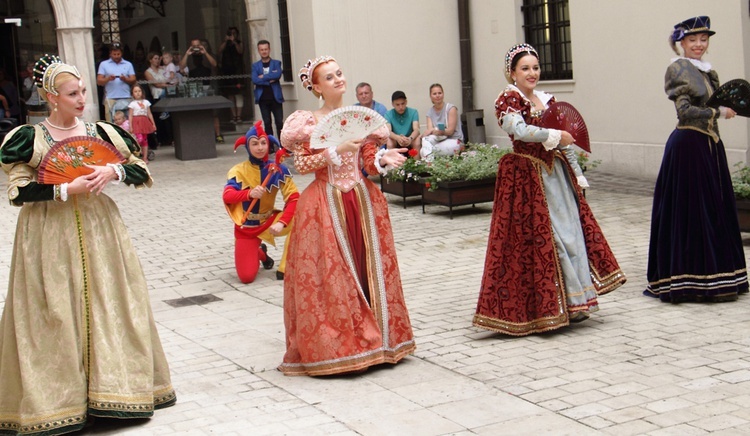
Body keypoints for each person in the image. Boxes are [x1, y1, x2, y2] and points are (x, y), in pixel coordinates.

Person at [0, 54, 175, 434]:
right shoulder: (28, 139)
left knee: (108, 304)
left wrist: (112, 170)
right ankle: (58, 403)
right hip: (47, 233)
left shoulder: (103, 134)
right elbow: (17, 190)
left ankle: (112, 395)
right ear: (51, 97)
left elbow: (139, 168)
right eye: (72, 93)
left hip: (101, 231)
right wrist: (64, 187)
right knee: (55, 312)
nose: (81, 98)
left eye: (82, 91)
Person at [473, 44, 626, 336]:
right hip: (527, 178)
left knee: (570, 234)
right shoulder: (508, 98)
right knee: (543, 238)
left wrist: (578, 175)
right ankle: (544, 307)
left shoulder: (547, 99)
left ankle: (574, 302)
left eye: (536, 67)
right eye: (525, 68)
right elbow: (519, 131)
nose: (532, 73)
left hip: (556, 176)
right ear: (512, 73)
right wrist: (555, 134)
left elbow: (564, 143)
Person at [279, 55, 415, 376]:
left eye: (339, 74)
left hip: (362, 200)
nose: (338, 79)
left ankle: (379, 342)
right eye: (329, 77)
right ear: (316, 87)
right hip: (325, 201)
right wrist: (332, 152)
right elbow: (301, 165)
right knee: (333, 274)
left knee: (371, 268)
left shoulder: (360, 119)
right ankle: (344, 344)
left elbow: (367, 161)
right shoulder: (307, 122)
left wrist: (382, 159)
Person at [646, 16, 748, 303]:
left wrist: (720, 112)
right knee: (694, 212)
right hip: (689, 147)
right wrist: (718, 113)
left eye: (703, 39)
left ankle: (718, 276)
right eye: (693, 40)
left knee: (713, 210)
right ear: (682, 42)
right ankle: (691, 280)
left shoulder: (705, 70)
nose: (699, 44)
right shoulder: (679, 68)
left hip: (710, 145)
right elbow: (685, 112)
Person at [224, 121, 298, 283]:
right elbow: (227, 196)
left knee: (299, 220)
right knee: (246, 278)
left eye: (263, 143)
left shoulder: (278, 169)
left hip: (269, 221)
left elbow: (294, 197)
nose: (260, 148)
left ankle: (285, 267)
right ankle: (260, 253)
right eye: (255, 143)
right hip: (246, 227)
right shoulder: (238, 170)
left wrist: (283, 222)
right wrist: (248, 194)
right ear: (247, 146)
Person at [179, 38, 223, 143]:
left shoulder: (207, 54)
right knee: (196, 112)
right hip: (194, 87)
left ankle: (218, 135)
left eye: (198, 45)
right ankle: (199, 135)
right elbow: (181, 67)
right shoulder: (189, 57)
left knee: (214, 112)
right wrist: (187, 53)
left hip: (208, 86)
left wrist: (205, 52)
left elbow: (214, 64)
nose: (196, 48)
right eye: (194, 46)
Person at [251, 40, 284, 140]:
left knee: (279, 122)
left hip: (276, 98)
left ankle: (283, 146)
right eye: (262, 50)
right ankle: (270, 145)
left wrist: (263, 77)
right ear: (258, 51)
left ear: (269, 50)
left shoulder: (276, 63)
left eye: (266, 49)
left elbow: (277, 74)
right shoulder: (255, 66)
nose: (264, 51)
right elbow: (255, 79)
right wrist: (269, 80)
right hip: (263, 99)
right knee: (267, 123)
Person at [421, 83, 463, 160]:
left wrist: (437, 131)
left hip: (453, 140)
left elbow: (450, 131)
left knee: (428, 150)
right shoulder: (429, 113)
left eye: (439, 93)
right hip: (438, 139)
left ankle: (429, 166)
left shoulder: (451, 108)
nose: (437, 95)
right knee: (424, 146)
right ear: (430, 96)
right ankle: (430, 164)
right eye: (434, 94)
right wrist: (433, 131)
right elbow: (430, 132)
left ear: (443, 94)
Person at [96, 42, 137, 122]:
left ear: (121, 53)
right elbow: (99, 81)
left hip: (126, 97)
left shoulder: (128, 64)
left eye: (118, 54)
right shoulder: (103, 64)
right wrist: (108, 79)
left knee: (128, 122)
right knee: (111, 123)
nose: (116, 56)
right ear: (110, 54)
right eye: (114, 54)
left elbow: (133, 79)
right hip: (110, 98)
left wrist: (125, 79)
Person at [144, 51, 173, 147]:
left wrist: (165, 84)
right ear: (150, 60)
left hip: (166, 95)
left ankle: (170, 139)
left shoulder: (162, 70)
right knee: (159, 119)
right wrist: (165, 85)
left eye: (158, 59)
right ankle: (161, 139)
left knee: (168, 119)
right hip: (157, 96)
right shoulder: (148, 72)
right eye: (155, 59)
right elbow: (155, 83)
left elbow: (170, 77)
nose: (157, 61)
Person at [219, 26, 245, 123]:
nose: (232, 35)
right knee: (230, 94)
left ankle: (239, 116)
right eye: (230, 33)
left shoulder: (239, 43)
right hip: (227, 71)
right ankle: (233, 116)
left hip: (238, 71)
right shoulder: (225, 43)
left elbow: (240, 51)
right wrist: (226, 41)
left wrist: (234, 42)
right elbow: (219, 51)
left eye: (234, 33)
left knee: (238, 94)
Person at [128, 84, 157, 163]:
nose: (137, 93)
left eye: (139, 91)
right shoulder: (132, 104)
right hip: (136, 122)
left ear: (142, 92)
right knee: (138, 139)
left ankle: (145, 157)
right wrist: (130, 126)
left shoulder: (146, 102)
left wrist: (153, 123)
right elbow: (130, 115)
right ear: (132, 93)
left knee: (144, 139)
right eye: (135, 91)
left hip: (144, 121)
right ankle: (137, 154)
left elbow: (149, 114)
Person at [385, 90, 421, 155]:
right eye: (397, 105)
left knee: (417, 141)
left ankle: (417, 164)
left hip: (410, 138)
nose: (401, 107)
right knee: (389, 142)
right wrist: (398, 138)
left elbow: (416, 129)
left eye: (403, 104)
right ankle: (392, 164)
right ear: (392, 104)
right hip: (396, 139)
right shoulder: (388, 114)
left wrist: (410, 138)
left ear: (406, 102)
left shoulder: (413, 112)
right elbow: (388, 132)